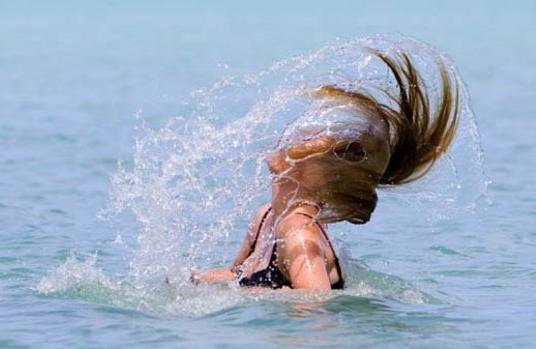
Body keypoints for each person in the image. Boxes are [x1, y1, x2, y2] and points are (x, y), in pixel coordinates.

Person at [191, 51, 459, 291]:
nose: (295, 138)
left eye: (306, 144)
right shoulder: (266, 217)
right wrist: (195, 278)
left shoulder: (298, 235)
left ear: (315, 173)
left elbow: (316, 309)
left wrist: (264, 299)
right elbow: (237, 275)